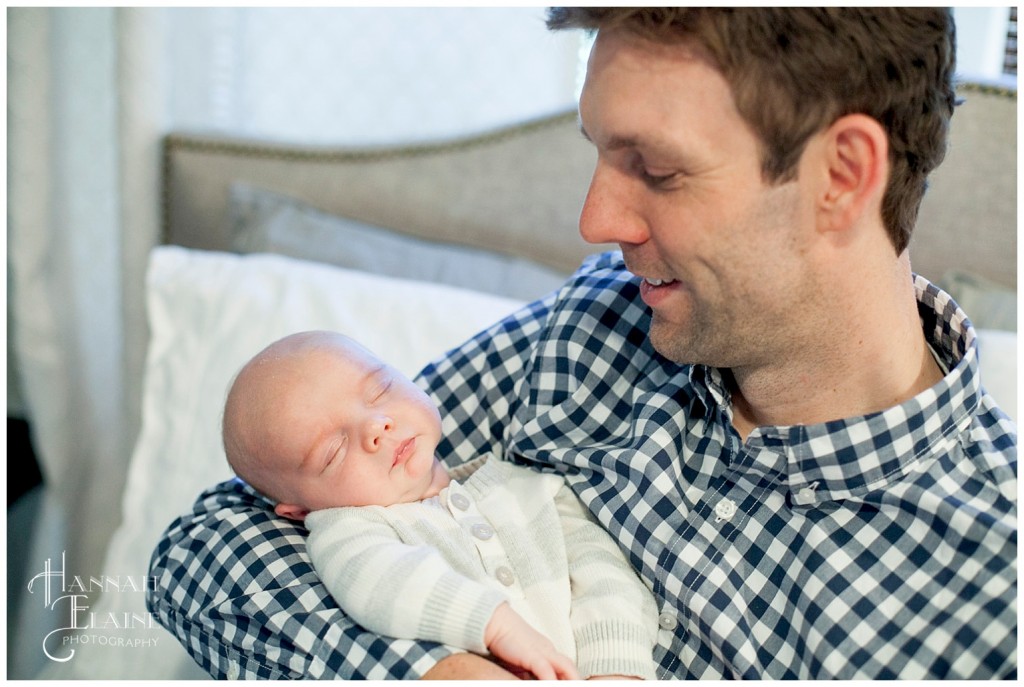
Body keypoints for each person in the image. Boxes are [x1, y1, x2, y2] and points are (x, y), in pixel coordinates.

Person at [148, 8, 1017, 679]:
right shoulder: (596, 326)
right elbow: (209, 549)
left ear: (842, 175)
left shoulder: (989, 598)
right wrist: (439, 671)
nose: (596, 221)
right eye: (600, 154)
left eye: (658, 169)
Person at [220, 330, 658, 681]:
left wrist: (615, 667)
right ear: (299, 510)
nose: (376, 426)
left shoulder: (532, 488)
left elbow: (605, 574)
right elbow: (380, 582)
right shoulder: (350, 531)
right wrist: (496, 624)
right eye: (333, 449)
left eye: (379, 390)